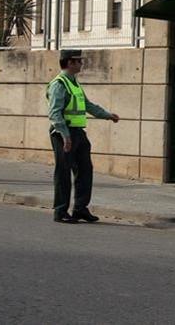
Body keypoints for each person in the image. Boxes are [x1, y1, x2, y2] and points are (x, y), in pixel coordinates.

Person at [47, 49, 120, 224]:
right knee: (63, 172)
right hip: (63, 133)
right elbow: (55, 113)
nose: (82, 64)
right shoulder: (59, 84)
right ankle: (60, 211)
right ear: (70, 62)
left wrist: (107, 115)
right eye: (79, 61)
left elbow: (87, 105)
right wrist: (65, 136)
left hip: (78, 132)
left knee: (85, 170)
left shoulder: (74, 83)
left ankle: (80, 208)